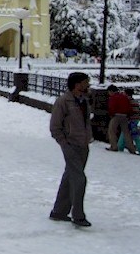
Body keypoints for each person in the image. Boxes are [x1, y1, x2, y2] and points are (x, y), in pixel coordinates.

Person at [49, 72, 93, 227]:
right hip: (70, 145)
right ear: (77, 84)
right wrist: (64, 143)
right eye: (85, 82)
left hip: (83, 145)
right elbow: (55, 126)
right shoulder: (63, 102)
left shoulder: (84, 101)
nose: (88, 84)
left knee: (70, 177)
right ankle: (78, 215)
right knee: (79, 179)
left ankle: (59, 211)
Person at [106, 85, 136, 154]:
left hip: (116, 115)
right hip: (125, 116)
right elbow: (130, 107)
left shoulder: (113, 97)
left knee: (112, 131)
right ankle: (132, 149)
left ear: (111, 91)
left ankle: (114, 146)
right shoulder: (124, 97)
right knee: (126, 133)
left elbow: (111, 107)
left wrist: (111, 114)